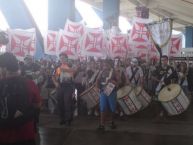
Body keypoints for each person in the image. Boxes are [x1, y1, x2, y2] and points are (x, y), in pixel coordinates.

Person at [0, 52, 41, 145]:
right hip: (25, 134)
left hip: (3, 136)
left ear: (4, 68)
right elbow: (38, 104)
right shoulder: (30, 83)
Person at [151, 55, 178, 119]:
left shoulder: (171, 68)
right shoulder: (158, 68)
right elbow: (152, 76)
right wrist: (159, 81)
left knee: (167, 101)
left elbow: (176, 77)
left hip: (167, 88)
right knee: (158, 101)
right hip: (159, 87)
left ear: (167, 60)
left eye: (164, 60)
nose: (163, 61)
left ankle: (166, 113)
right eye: (162, 60)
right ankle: (159, 113)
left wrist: (172, 82)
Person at [52, 52, 76, 125]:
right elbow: (54, 76)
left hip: (69, 86)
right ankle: (62, 118)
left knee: (67, 102)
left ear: (66, 58)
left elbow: (73, 72)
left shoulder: (71, 65)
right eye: (61, 58)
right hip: (61, 86)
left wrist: (65, 69)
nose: (62, 59)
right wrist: (56, 82)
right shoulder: (58, 67)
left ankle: (68, 119)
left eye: (63, 58)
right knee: (60, 103)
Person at [97, 59, 117, 131]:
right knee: (102, 107)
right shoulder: (101, 71)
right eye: (104, 64)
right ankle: (102, 124)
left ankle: (111, 122)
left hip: (112, 91)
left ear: (110, 65)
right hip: (103, 91)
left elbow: (120, 81)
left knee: (112, 108)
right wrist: (98, 87)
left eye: (107, 64)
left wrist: (113, 81)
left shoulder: (114, 72)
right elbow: (97, 80)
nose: (105, 66)